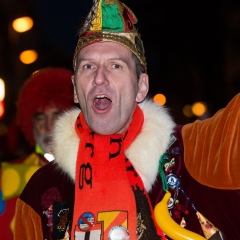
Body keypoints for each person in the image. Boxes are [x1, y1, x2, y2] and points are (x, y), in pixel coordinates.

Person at [14, 1, 240, 240]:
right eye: (88, 66)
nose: (99, 78)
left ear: (141, 87)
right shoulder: (40, 192)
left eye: (116, 65)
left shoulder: (196, 153)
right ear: (74, 90)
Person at [0, 67, 74, 240]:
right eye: (40, 118)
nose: (48, 127)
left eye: (56, 115)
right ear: (30, 125)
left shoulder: (89, 172)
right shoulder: (5, 177)